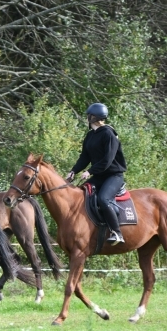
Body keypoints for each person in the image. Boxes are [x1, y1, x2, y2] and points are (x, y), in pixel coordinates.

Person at [66, 103, 128, 244]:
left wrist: (89, 171)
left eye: (89, 115)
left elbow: (107, 160)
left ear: (94, 117)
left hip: (113, 176)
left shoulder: (109, 134)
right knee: (81, 194)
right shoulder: (90, 136)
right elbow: (84, 158)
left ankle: (117, 233)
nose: (87, 117)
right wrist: (73, 171)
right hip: (99, 176)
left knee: (103, 199)